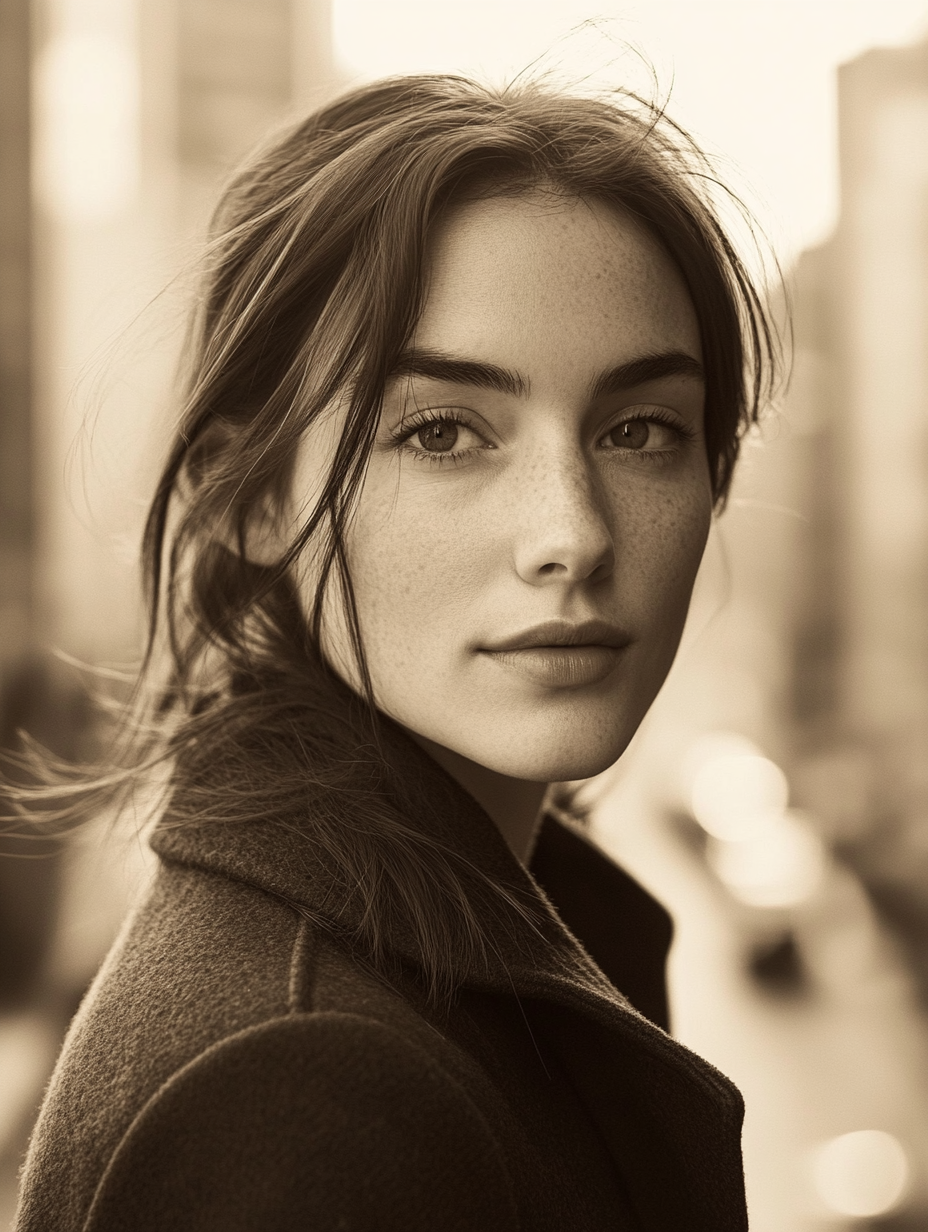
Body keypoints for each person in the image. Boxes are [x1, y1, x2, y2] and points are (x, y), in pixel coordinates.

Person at [15, 73, 775, 1231]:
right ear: (252, 495)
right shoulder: (304, 1088)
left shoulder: (446, 944)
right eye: (442, 431)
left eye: (639, 429)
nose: (572, 532)